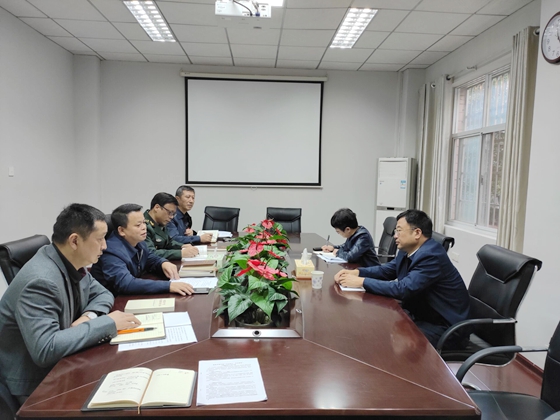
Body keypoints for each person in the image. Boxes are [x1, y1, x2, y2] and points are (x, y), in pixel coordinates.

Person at [0, 204, 140, 403]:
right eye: (100, 239)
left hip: (66, 361)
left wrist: (88, 317)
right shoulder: (41, 281)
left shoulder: (70, 261)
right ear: (74, 241)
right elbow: (46, 348)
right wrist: (108, 323)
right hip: (36, 384)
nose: (105, 246)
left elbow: (103, 294)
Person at [334, 209, 470, 348]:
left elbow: (404, 289)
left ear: (417, 233)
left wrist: (361, 282)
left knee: (387, 338)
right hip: (423, 314)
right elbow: (387, 270)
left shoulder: (431, 256)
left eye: (399, 231)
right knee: (376, 325)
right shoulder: (407, 250)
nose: (395, 236)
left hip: (445, 326)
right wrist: (357, 272)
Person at [91, 204, 194, 296]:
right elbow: (126, 284)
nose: (144, 227)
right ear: (121, 230)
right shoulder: (111, 252)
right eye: (138, 225)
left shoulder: (138, 241)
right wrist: (168, 286)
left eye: (144, 222)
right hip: (113, 301)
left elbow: (149, 257)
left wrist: (163, 263)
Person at [144, 192, 199, 260]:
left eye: (173, 214)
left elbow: (168, 242)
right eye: (169, 212)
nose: (171, 217)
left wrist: (182, 246)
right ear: (157, 207)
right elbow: (150, 253)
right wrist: (180, 253)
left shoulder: (160, 222)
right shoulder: (143, 225)